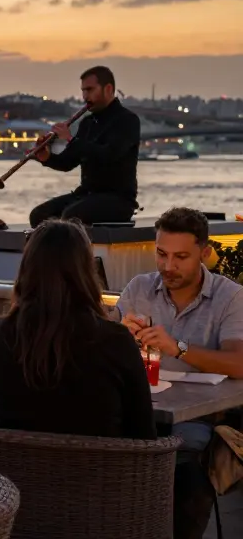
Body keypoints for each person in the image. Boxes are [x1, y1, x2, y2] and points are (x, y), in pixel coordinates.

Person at [117, 207, 243, 539]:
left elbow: (239, 363)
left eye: (181, 257)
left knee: (183, 458)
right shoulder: (139, 289)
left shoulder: (230, 296)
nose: (168, 266)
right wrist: (117, 334)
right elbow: (103, 352)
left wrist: (179, 348)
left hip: (202, 418)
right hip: (141, 409)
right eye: (161, 254)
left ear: (204, 253)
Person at [0, 219, 155, 439]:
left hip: (9, 472)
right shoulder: (117, 341)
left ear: (26, 270)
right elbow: (144, 435)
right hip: (99, 471)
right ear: (86, 272)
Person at [29, 65, 142, 227]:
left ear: (108, 89)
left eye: (89, 90)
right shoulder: (87, 123)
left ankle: (75, 252)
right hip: (86, 195)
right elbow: (68, 162)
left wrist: (71, 139)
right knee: (39, 216)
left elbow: (109, 155)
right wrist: (46, 157)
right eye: (83, 91)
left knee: (71, 217)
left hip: (118, 199)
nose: (85, 96)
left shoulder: (127, 120)